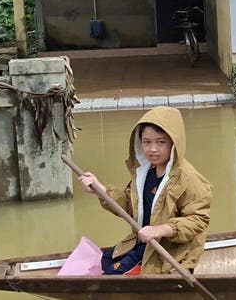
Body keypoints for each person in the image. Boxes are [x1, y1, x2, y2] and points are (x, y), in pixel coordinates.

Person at [76, 106, 212, 274]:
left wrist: (160, 230)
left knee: (111, 275)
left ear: (174, 143)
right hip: (141, 243)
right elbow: (129, 205)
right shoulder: (145, 172)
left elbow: (198, 220)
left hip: (168, 253)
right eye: (147, 142)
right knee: (102, 261)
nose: (153, 149)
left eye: (161, 142)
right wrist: (101, 190)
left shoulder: (189, 178)